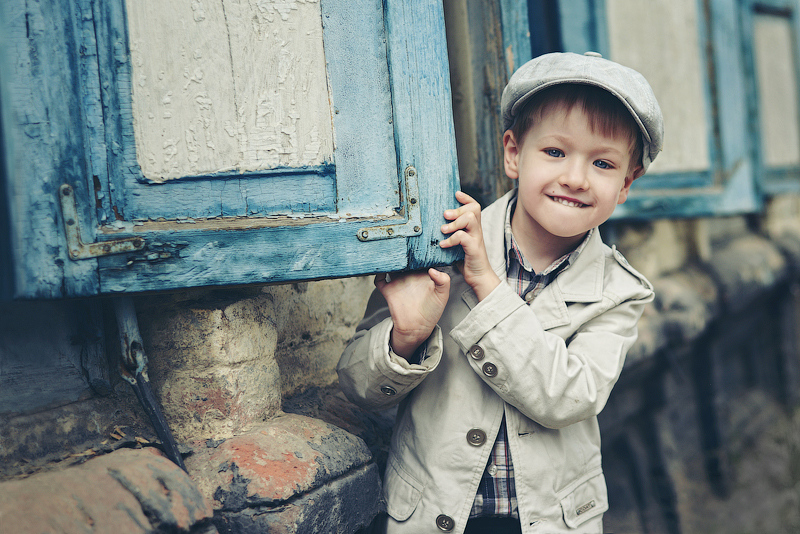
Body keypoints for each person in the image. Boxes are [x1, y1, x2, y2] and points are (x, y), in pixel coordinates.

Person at [337, 51, 663, 534]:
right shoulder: (441, 248)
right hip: (431, 516)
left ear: (625, 185)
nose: (575, 178)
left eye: (602, 163)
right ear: (514, 153)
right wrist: (405, 338)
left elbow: (569, 397)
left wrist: (488, 286)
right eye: (555, 152)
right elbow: (358, 385)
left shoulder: (618, 291)